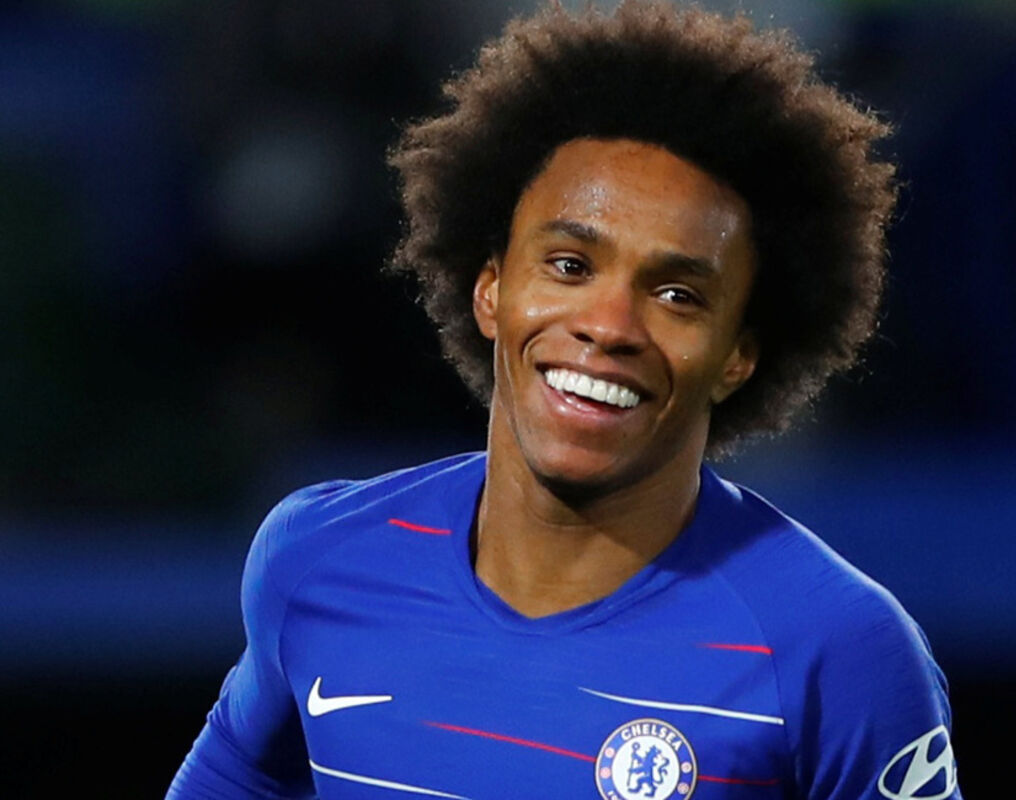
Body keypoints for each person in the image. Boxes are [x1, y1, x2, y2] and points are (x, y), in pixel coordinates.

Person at [168, 2, 961, 799]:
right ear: (490, 289)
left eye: (678, 295)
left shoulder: (839, 650)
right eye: (570, 266)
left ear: (738, 357)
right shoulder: (319, 560)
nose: (608, 327)